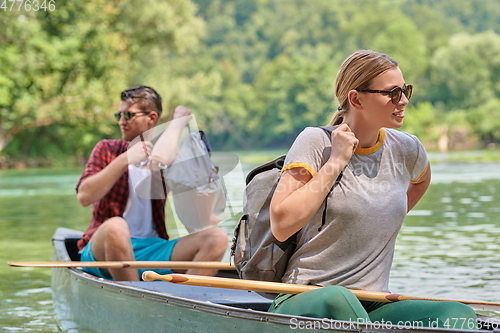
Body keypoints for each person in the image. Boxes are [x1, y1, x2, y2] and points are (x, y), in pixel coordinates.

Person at [268, 50, 477, 329]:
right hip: (306, 298)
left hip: (373, 303)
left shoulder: (408, 149)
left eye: (405, 90)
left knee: (456, 315)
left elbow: (420, 182)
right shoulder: (316, 142)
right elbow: (281, 225)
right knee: (338, 300)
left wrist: (375, 215)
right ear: (356, 99)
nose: (403, 100)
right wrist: (337, 161)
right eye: (392, 93)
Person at [76, 85, 228, 281]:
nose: (121, 122)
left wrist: (178, 122)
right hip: (104, 248)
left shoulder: (167, 157)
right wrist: (125, 159)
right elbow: (84, 196)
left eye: (128, 115)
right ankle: (135, 297)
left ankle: (179, 302)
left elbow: (159, 160)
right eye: (119, 115)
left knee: (216, 238)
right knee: (116, 226)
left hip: (152, 248)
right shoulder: (107, 149)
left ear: (152, 118)